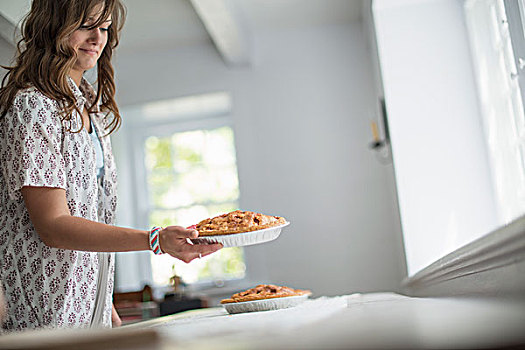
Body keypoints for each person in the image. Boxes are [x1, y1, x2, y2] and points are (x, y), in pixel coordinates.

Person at [0, 0, 222, 332]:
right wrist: (155, 240)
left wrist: (107, 311)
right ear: (52, 25)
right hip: (45, 317)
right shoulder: (33, 106)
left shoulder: (93, 111)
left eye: (104, 28)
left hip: (89, 316)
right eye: (87, 25)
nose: (98, 39)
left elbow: (92, 222)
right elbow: (53, 225)